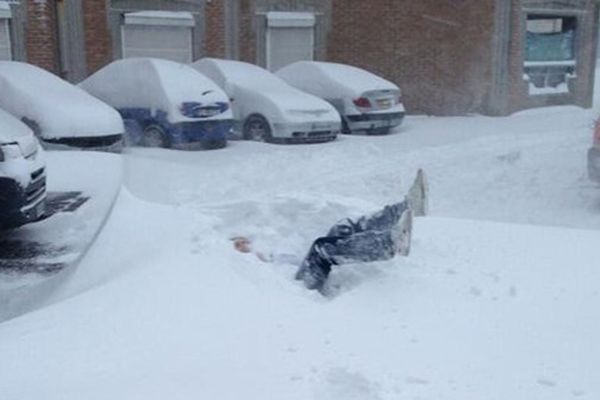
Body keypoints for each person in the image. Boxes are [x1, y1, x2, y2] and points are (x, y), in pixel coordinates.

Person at [232, 170, 428, 294]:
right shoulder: (248, 270)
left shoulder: (269, 255)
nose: (242, 244)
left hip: (303, 271)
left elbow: (292, 259)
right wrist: (253, 256)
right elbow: (269, 282)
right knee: (321, 249)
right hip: (299, 286)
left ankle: (405, 207)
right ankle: (389, 244)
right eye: (237, 245)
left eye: (242, 241)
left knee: (341, 227)